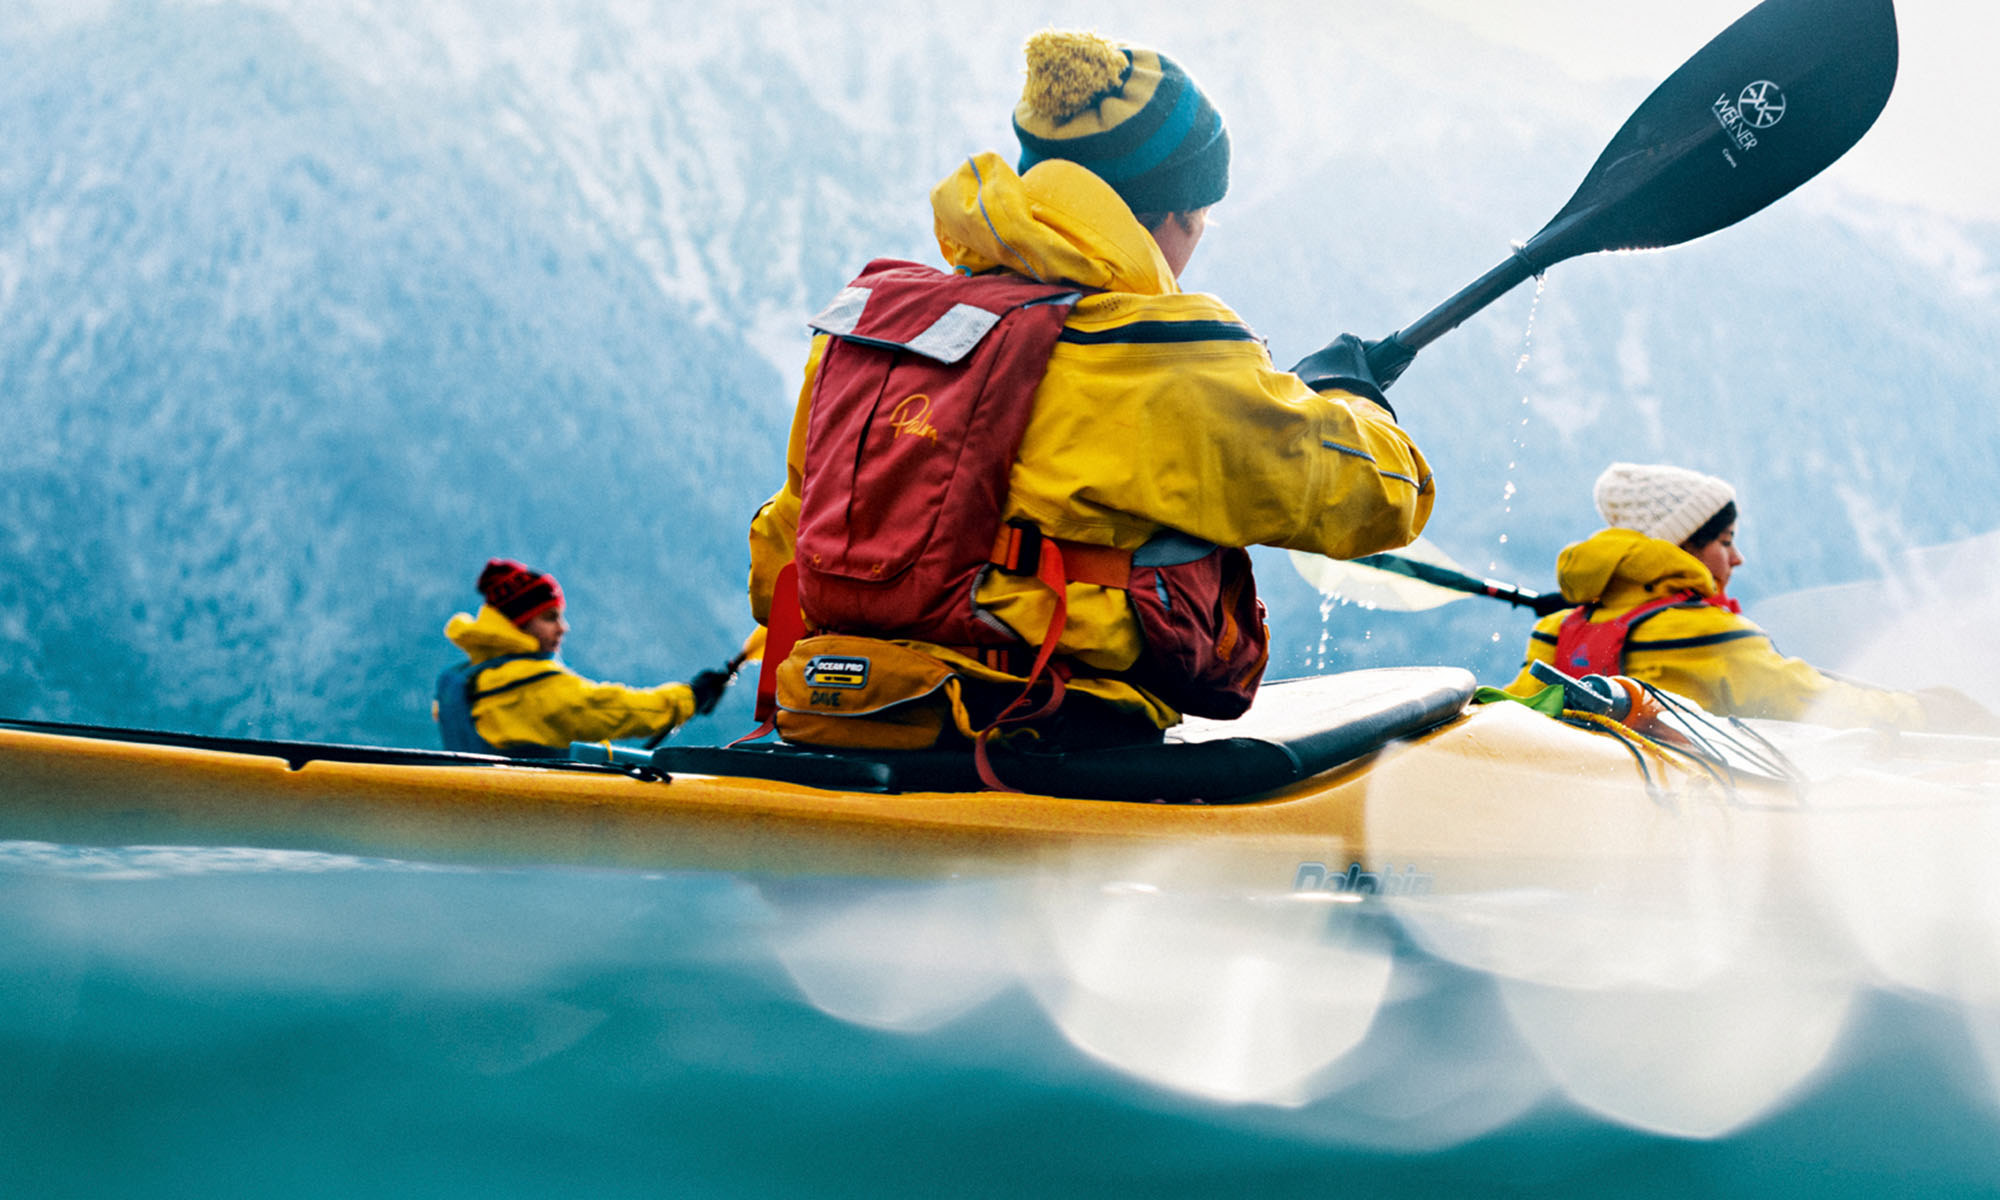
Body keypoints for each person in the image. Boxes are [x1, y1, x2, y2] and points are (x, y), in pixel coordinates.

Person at [746, 30, 1433, 757]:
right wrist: (1351, 394)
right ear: (1174, 213)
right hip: (1050, 735)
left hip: (840, 719)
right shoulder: (1163, 354)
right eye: (1200, 219)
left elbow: (777, 568)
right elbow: (1386, 497)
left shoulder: (877, 334)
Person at [1504, 463, 1997, 732]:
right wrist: (1930, 714)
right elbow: (1814, 703)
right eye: (1724, 541)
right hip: (1681, 821)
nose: (1736, 559)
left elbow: (1519, 709)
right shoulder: (1705, 632)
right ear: (1680, 548)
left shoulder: (1557, 629)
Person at [435, 559, 732, 756]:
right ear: (518, 623)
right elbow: (615, 708)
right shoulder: (535, 686)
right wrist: (691, 696)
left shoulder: (469, 679)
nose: (563, 628)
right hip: (535, 828)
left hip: (485, 824)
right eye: (550, 618)